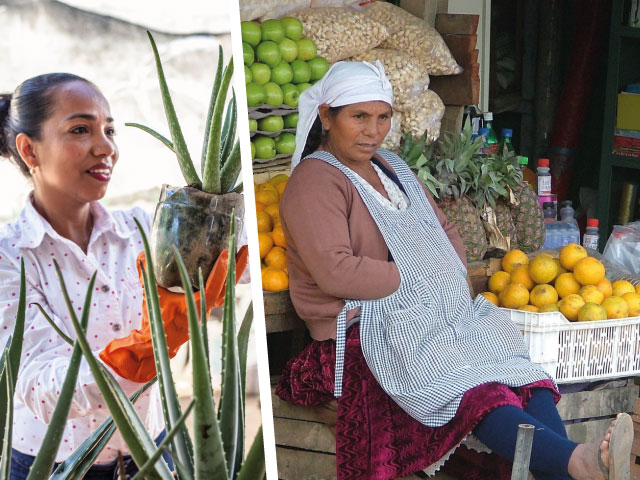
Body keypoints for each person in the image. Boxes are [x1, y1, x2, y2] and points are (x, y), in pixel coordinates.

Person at [275, 61, 633, 480]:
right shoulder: (315, 181)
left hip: (434, 315)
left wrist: (445, 271)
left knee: (517, 371)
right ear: (326, 116)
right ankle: (579, 463)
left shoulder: (393, 167)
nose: (373, 130)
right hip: (366, 329)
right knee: (478, 390)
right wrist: (418, 275)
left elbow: (443, 228)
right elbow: (336, 271)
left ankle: (568, 470)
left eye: (383, 117)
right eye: (358, 117)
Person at [0, 73, 247, 479]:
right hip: (55, 465)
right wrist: (139, 350)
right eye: (81, 129)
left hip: (154, 452)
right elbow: (38, 389)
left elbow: (235, 266)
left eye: (109, 130)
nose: (106, 147)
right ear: (29, 149)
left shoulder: (141, 227)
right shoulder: (9, 256)